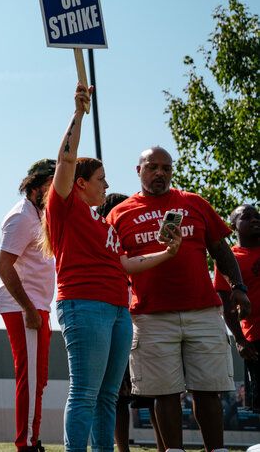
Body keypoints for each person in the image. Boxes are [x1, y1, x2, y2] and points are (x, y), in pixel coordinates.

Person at [44, 83, 182, 452]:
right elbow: (65, 163)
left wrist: (168, 253)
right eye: (102, 180)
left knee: (109, 396)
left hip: (118, 310)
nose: (107, 186)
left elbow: (126, 263)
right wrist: (78, 114)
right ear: (82, 183)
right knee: (86, 392)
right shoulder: (65, 208)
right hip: (84, 306)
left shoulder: (102, 223)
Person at [109, 147, 250, 452]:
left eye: (166, 168)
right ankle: (173, 450)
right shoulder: (119, 214)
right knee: (164, 392)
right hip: (150, 316)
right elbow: (111, 266)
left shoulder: (194, 203)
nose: (160, 173)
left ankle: (217, 449)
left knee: (208, 390)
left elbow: (221, 249)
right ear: (138, 170)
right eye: (153, 167)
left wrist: (238, 285)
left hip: (202, 311)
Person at [0, 159, 56, 452]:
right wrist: (30, 310)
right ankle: (26, 444)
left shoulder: (40, 216)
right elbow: (3, 267)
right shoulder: (22, 216)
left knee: (38, 379)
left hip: (37, 305)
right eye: (50, 185)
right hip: (23, 307)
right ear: (35, 187)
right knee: (30, 379)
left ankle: (33, 438)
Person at [99, 193, 164, 452]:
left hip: (143, 320)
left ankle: (165, 447)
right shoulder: (103, 247)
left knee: (156, 391)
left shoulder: (140, 248)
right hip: (117, 322)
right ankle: (122, 448)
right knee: (117, 395)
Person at [215, 204, 260, 412]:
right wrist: (240, 340)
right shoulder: (229, 260)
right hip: (255, 340)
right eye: (247, 217)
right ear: (233, 226)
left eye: (257, 216)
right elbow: (226, 304)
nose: (254, 220)